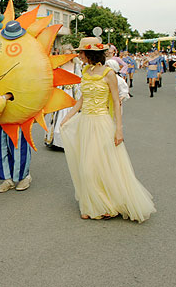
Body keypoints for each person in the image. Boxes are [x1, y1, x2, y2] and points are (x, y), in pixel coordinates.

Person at [60, 37, 155, 222]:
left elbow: (116, 103)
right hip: (85, 122)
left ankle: (107, 204)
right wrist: (67, 117)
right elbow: (81, 99)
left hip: (101, 123)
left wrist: (119, 129)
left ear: (90, 53)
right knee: (87, 167)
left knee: (99, 166)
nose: (79, 55)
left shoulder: (109, 74)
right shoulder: (86, 71)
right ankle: (93, 204)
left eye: (81, 52)